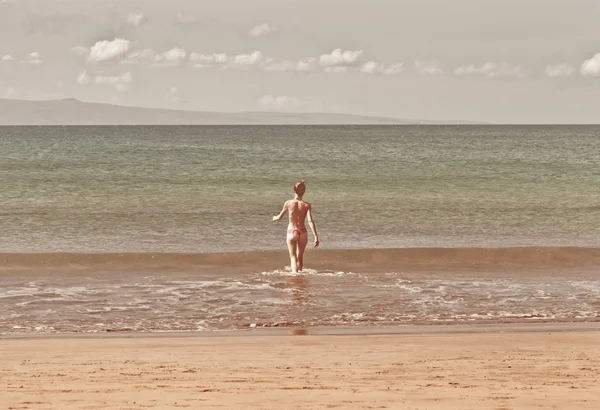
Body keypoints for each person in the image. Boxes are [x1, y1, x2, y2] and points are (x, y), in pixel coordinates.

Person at [272, 180, 319, 272]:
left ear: (294, 191)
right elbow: (310, 221)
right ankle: (299, 277)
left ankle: (295, 276)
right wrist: (315, 236)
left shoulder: (288, 203)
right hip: (303, 233)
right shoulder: (306, 205)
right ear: (304, 192)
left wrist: (274, 218)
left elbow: (279, 217)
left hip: (291, 232)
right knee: (299, 257)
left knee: (293, 258)